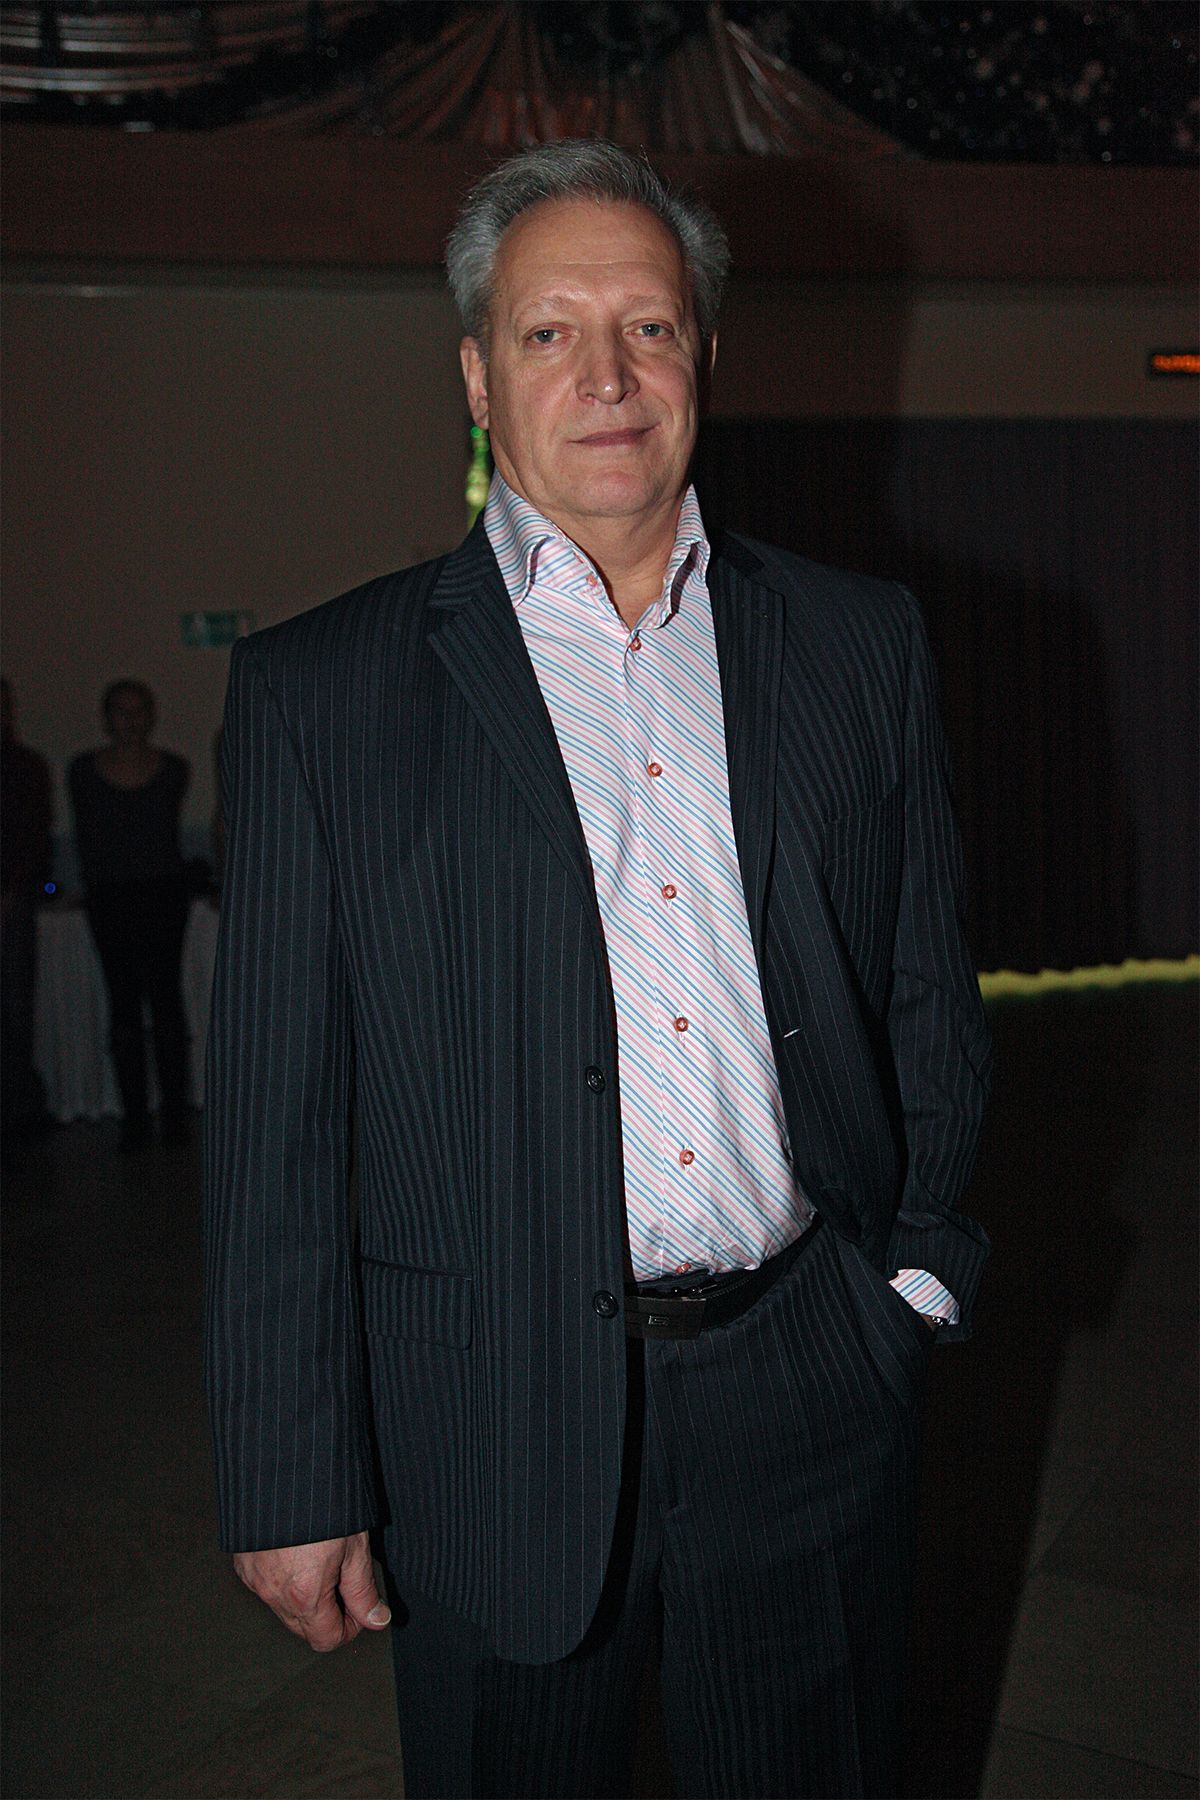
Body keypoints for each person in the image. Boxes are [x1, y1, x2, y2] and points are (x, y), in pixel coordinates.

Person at [206, 141, 992, 1800]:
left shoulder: (857, 643)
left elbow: (924, 985)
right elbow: (274, 1127)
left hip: (808, 1372)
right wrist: (290, 1471)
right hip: (486, 1413)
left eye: (649, 325)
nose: (609, 375)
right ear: (477, 378)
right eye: (551, 332)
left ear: (705, 355)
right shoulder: (320, 694)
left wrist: (914, 1277)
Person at [69, 680, 191, 1151]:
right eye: (121, 711)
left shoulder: (173, 769)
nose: (130, 720)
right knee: (123, 1007)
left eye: (138, 710)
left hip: (163, 896)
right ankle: (135, 1117)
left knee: (166, 1003)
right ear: (106, 718)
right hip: (110, 899)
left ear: (151, 716)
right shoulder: (83, 771)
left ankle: (176, 1114)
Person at [1, 677, 53, 1149]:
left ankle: (19, 1108)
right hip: (15, 896)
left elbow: (32, 836)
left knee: (15, 1008)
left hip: (13, 899)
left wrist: (15, 887)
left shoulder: (23, 767)